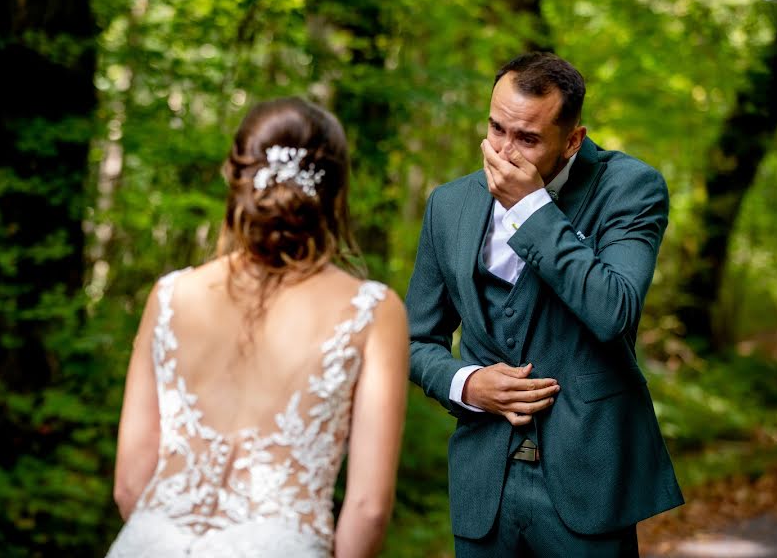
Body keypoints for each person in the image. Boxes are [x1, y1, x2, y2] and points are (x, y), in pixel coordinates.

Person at [406, 52, 684, 557]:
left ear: (572, 140)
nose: (505, 152)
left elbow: (614, 311)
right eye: (496, 129)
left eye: (528, 139)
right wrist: (466, 383)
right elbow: (414, 339)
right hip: (482, 480)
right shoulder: (448, 205)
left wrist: (531, 206)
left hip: (589, 480)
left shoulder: (630, 189)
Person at [106, 97, 409, 557]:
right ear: (335, 193)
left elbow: (129, 486)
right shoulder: (372, 310)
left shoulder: (169, 297)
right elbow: (367, 508)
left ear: (236, 179)